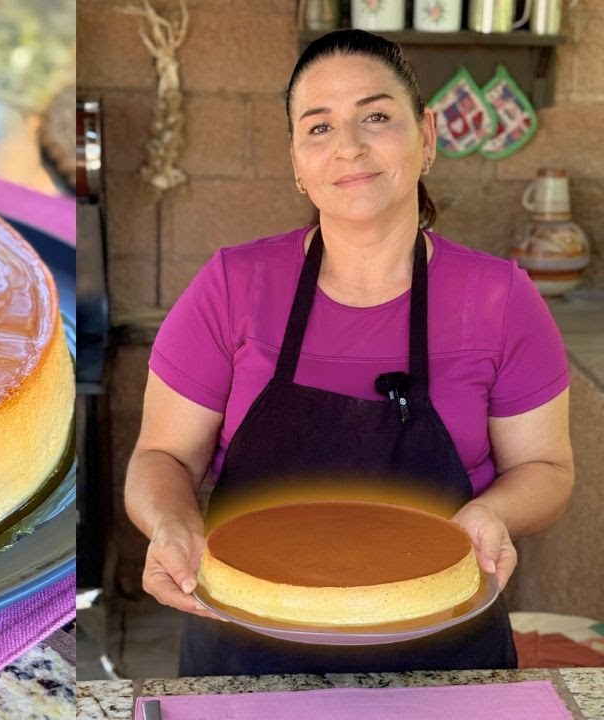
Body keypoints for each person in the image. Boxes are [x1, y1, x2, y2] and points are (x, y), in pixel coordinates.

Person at [125, 29, 575, 676]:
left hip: (444, 658)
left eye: (376, 117)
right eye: (318, 128)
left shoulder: (500, 297)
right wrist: (171, 526)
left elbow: (547, 469)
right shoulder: (233, 286)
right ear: (295, 161)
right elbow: (161, 455)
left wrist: (489, 515)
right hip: (244, 654)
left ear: (427, 136)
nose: (349, 147)